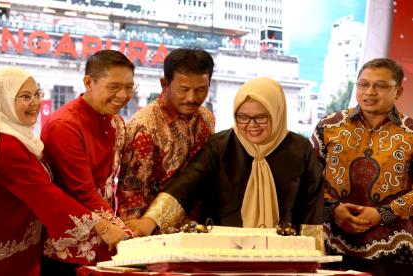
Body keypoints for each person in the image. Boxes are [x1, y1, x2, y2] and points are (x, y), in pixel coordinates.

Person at [0, 67, 127, 275]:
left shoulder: (20, 139)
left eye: (37, 94)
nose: (35, 102)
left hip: (8, 246)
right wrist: (101, 226)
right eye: (25, 96)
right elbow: (45, 195)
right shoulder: (3, 144)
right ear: (2, 100)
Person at [130, 77, 325, 252]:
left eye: (261, 117)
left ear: (277, 112)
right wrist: (150, 221)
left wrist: (312, 255)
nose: (251, 125)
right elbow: (187, 184)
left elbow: (311, 207)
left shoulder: (300, 149)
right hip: (224, 251)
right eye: (242, 117)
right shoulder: (220, 145)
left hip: (283, 252)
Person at [311, 58, 413, 276]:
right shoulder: (329, 126)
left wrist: (383, 214)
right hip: (331, 243)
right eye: (363, 84)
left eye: (381, 86)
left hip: (395, 250)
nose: (370, 92)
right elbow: (308, 178)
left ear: (399, 91)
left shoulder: (411, 132)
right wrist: (333, 209)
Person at [40, 50, 135, 273]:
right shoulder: (65, 125)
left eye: (129, 87)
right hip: (67, 247)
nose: (123, 95)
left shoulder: (116, 123)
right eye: (114, 87)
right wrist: (123, 232)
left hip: (108, 240)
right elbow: (82, 190)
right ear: (88, 82)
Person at [117, 47, 215, 223]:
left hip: (197, 228)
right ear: (164, 84)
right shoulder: (144, 127)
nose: (192, 98)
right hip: (153, 232)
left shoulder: (206, 118)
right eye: (183, 89)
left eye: (200, 90)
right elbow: (131, 196)